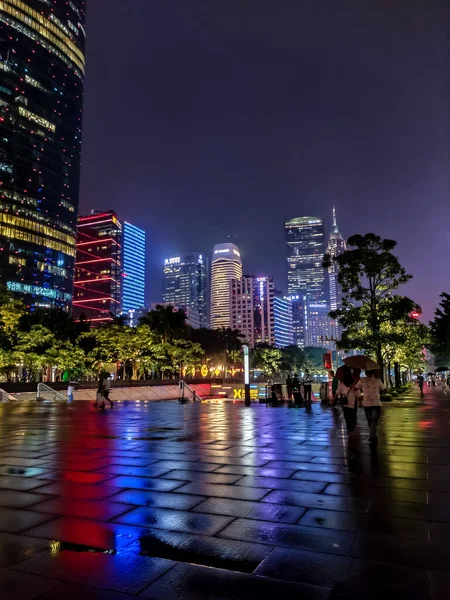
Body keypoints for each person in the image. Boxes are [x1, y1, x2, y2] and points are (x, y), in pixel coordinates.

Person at [355, 370, 386, 445]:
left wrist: (359, 397)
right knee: (373, 420)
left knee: (370, 420)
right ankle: (373, 435)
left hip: (366, 404)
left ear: (366, 373)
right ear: (373, 373)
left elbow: (355, 388)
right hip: (376, 403)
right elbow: (384, 390)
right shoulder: (378, 381)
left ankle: (373, 436)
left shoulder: (362, 381)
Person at [336, 366, 360, 437]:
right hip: (352, 402)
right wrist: (360, 399)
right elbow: (357, 392)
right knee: (353, 417)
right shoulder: (353, 383)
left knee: (347, 417)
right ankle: (351, 430)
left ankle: (349, 430)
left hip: (345, 402)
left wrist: (333, 399)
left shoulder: (341, 383)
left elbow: (338, 392)